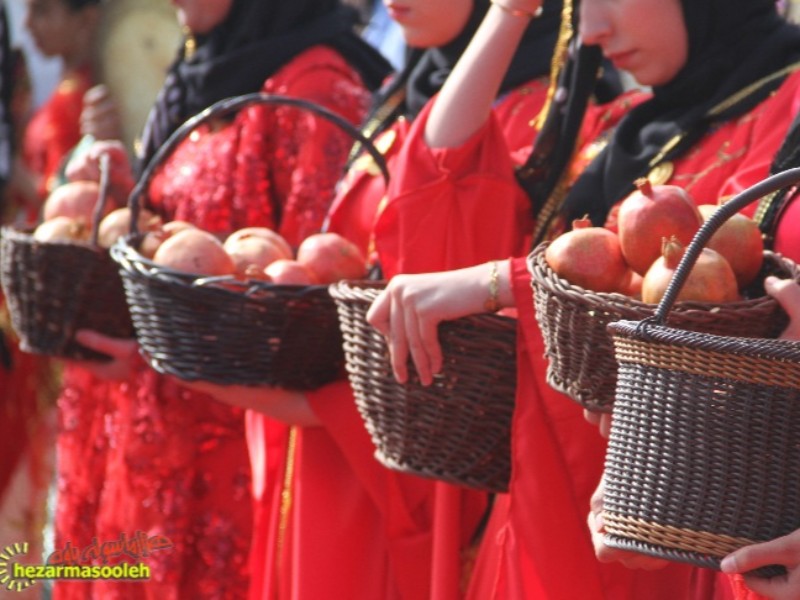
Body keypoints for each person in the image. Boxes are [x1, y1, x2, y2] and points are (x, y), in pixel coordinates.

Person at [365, 0, 800, 598]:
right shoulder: (622, 124)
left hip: (678, 535)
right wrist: (511, 11)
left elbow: (723, 295)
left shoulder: (785, 114)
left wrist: (501, 282)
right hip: (554, 502)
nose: (591, 32)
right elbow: (446, 195)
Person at [181, 0, 573, 598]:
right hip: (326, 450)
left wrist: (317, 406)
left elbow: (446, 180)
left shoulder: (533, 118)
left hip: (391, 468)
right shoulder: (399, 99)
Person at [53, 1, 390, 598]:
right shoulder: (198, 72)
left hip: (238, 449)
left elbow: (311, 286)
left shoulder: (319, 90)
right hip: (152, 429)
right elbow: (168, 230)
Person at [7, 0, 102, 224]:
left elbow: (66, 200)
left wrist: (16, 173)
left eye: (42, 11)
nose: (27, 24)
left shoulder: (80, 99)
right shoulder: (66, 89)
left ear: (86, 18)